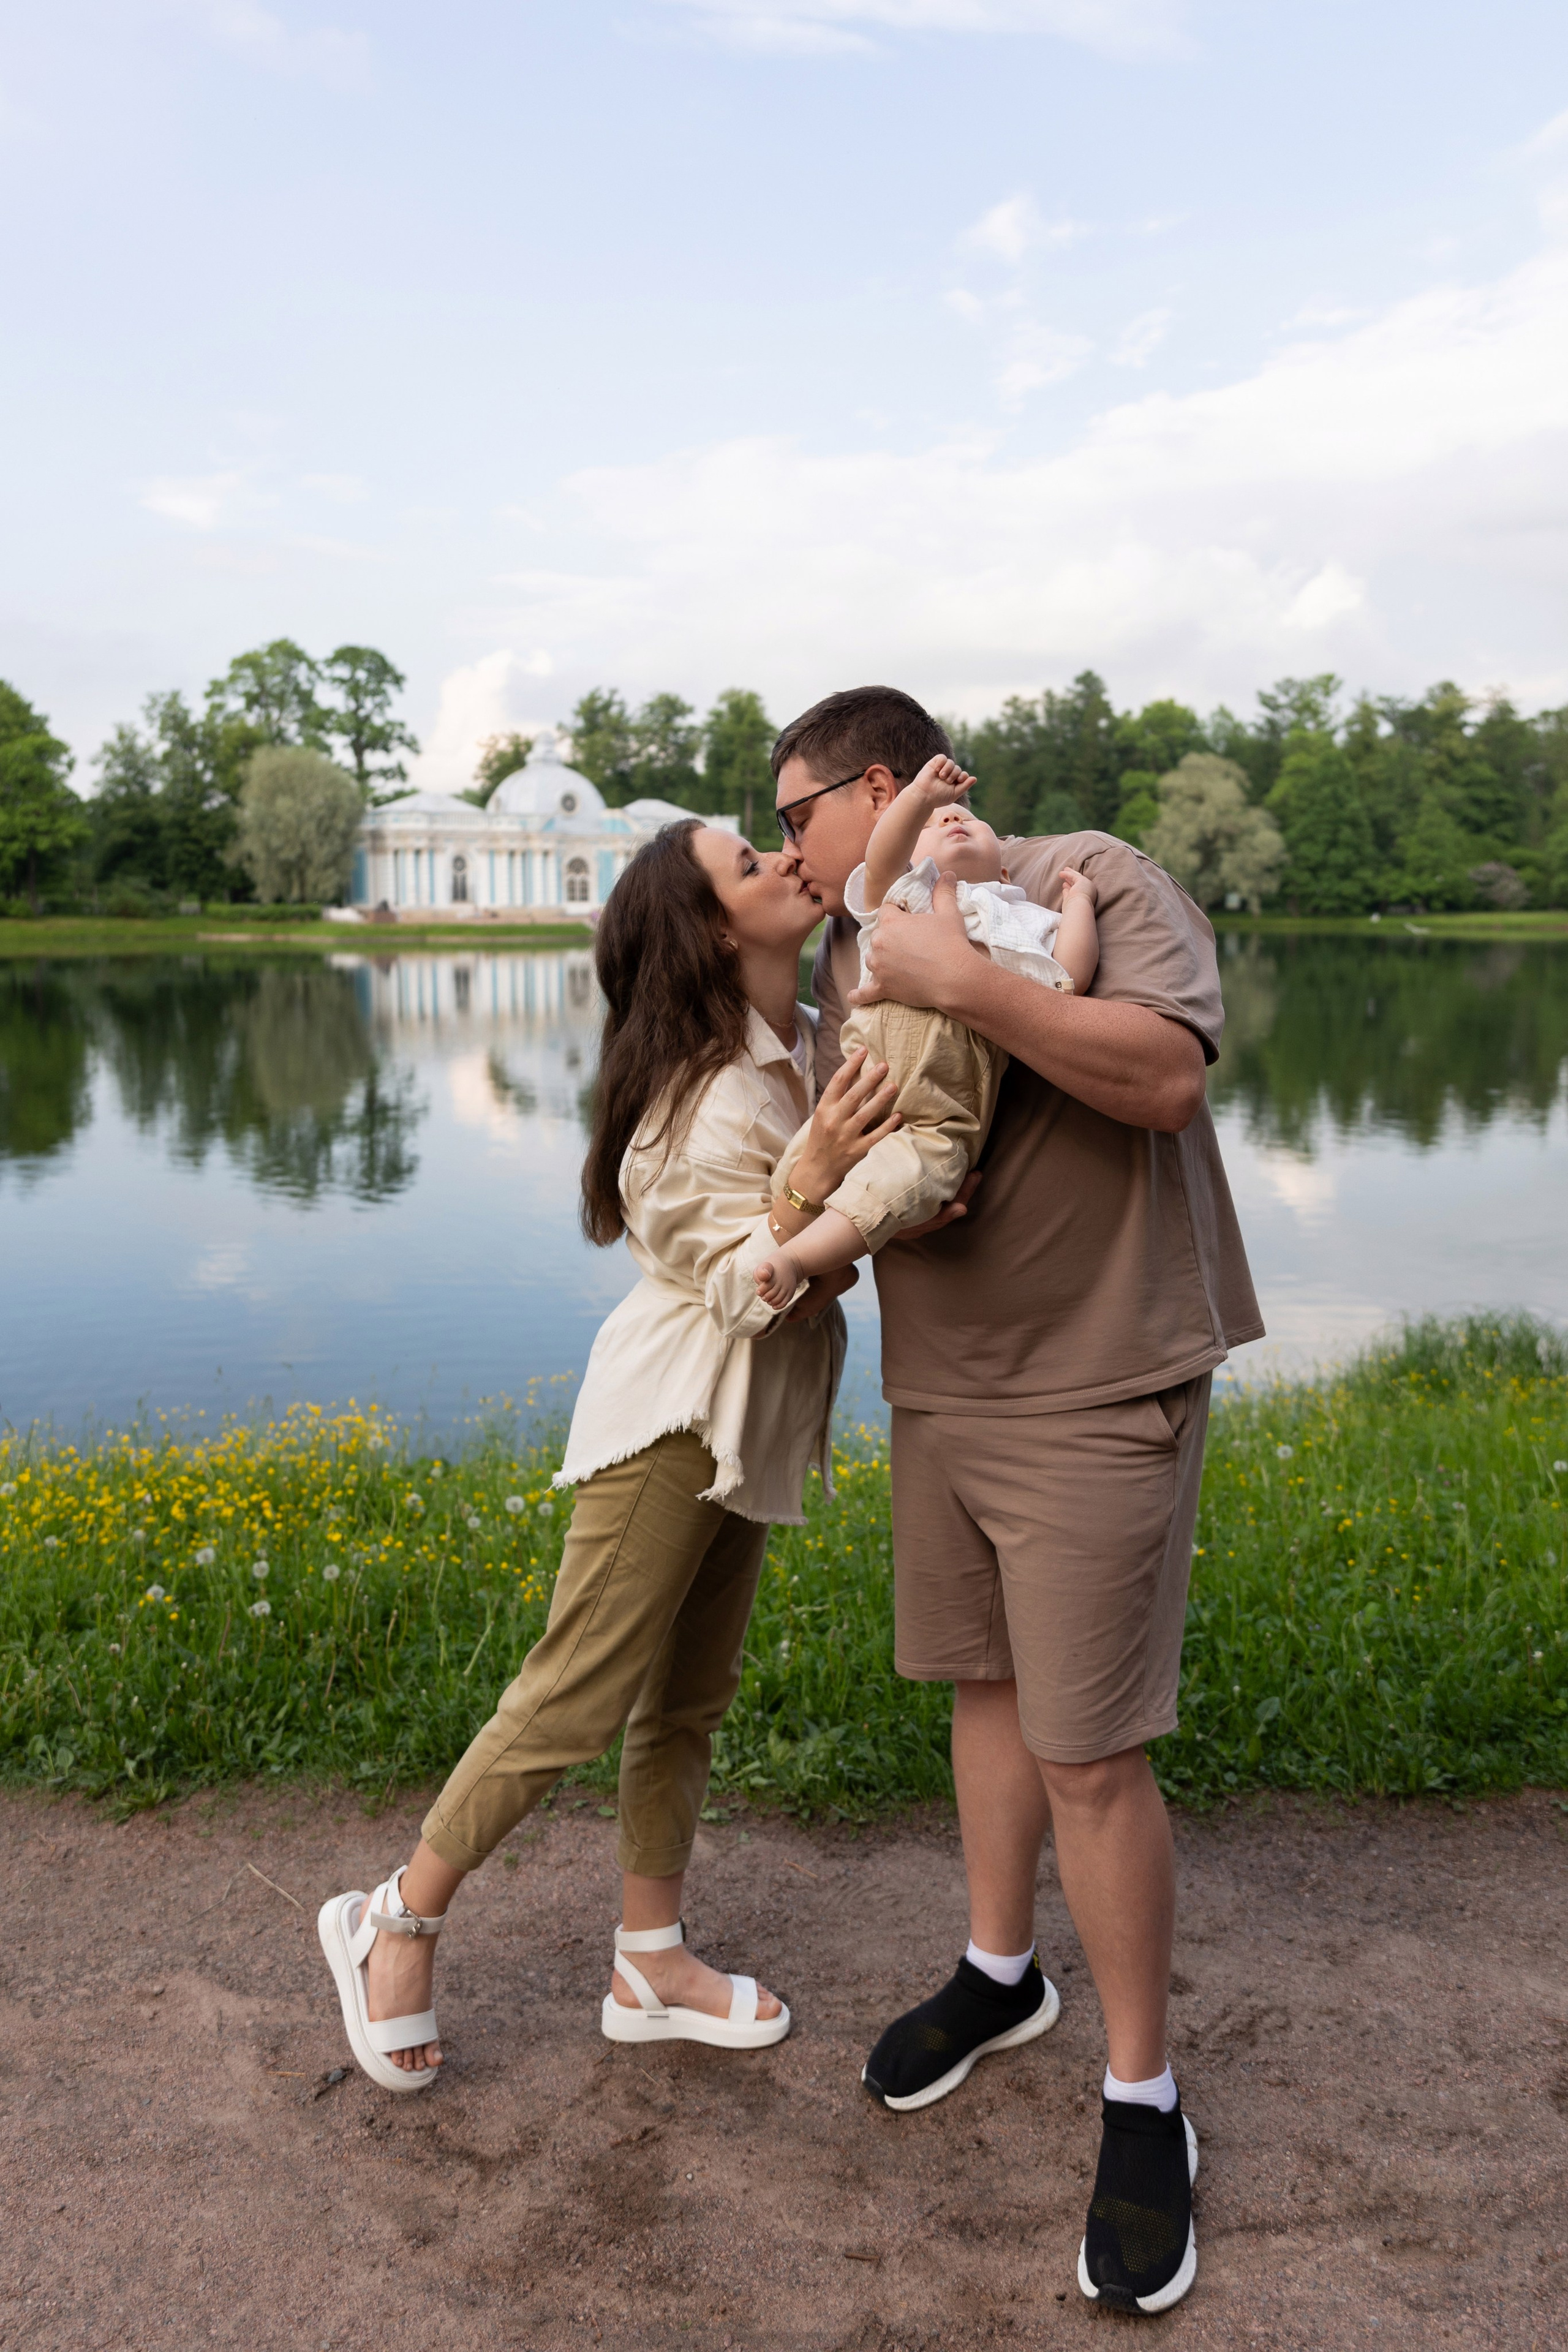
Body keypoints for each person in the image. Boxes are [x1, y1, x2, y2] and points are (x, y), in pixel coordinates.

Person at [772, 685, 1263, 2318]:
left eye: (798, 812)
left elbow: (1165, 1078)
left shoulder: (1094, 876)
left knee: (1089, 1749)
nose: (790, 846)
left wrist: (971, 975)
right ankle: (1001, 1976)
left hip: (1098, 1375)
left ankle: (1144, 2099)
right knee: (979, 1689)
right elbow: (891, 1130)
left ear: (889, 783)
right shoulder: (854, 951)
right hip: (946, 1381)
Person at [318, 820, 899, 2093]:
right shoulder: (684, 1111)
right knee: (574, 1692)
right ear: (704, 929)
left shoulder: (805, 1039)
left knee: (688, 1697)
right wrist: (819, 1193)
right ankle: (393, 1922)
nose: (783, 862)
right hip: (674, 1423)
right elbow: (756, 1294)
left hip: (746, 1426)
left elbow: (826, 1245)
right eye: (750, 863)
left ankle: (650, 1961)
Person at [754, 750, 1099, 1308]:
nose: (953, 819)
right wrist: (919, 797)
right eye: (937, 824)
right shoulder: (902, 896)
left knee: (891, 1189)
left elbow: (1069, 979)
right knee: (798, 1168)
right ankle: (816, 1260)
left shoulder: (1019, 918)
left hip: (940, 1117)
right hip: (864, 1095)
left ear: (1005, 873)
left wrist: (1078, 906)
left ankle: (799, 1261)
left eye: (968, 819)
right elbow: (885, 852)